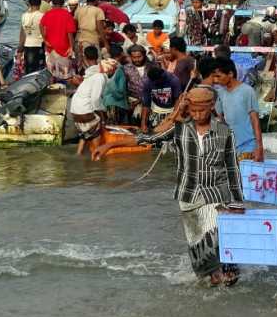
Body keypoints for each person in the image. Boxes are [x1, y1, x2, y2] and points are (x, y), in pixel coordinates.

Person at [93, 87, 245, 285]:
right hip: (188, 197)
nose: (198, 115)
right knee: (202, 258)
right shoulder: (180, 129)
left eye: (202, 110)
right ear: (188, 109)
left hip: (216, 196)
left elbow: (232, 168)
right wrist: (111, 145)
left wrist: (237, 204)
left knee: (218, 245)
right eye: (193, 111)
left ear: (211, 107)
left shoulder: (224, 132)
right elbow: (147, 138)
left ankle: (229, 280)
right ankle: (213, 289)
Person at [212, 57, 264, 161]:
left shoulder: (247, 91)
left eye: (218, 76)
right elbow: (220, 119)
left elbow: (255, 120)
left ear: (230, 74)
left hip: (248, 144)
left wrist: (259, 147)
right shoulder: (220, 93)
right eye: (214, 77)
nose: (216, 80)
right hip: (230, 146)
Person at [70, 48, 118, 155]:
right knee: (96, 132)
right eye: (113, 69)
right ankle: (96, 158)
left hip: (75, 109)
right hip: (84, 109)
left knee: (85, 132)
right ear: (109, 69)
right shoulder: (99, 77)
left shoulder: (92, 75)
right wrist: (103, 114)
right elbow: (95, 99)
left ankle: (79, 154)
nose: (114, 72)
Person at [40, 0, 77, 82]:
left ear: (52, 3)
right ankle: (65, 93)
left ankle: (52, 92)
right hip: (64, 48)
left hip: (50, 48)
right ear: (63, 3)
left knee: (51, 74)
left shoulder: (47, 14)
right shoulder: (67, 15)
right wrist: (71, 47)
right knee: (66, 75)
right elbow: (70, 33)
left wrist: (45, 40)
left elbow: (41, 26)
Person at [141, 66, 181, 132]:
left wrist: (172, 118)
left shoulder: (173, 80)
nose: (155, 84)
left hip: (172, 110)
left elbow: (178, 100)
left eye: (157, 82)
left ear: (161, 78)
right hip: (157, 110)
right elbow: (146, 104)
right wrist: (143, 124)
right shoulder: (147, 82)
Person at [74, 0, 108, 69]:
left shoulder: (78, 10)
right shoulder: (98, 11)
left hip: (79, 41)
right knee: (95, 66)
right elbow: (100, 28)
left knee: (80, 65)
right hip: (91, 41)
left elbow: (74, 26)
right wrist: (106, 43)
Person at [17, 0, 45, 75]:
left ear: (29, 4)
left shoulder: (24, 15)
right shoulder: (42, 15)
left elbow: (22, 33)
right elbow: (45, 31)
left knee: (28, 68)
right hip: (39, 44)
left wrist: (20, 47)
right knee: (39, 68)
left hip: (27, 44)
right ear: (40, 5)